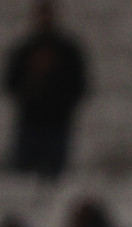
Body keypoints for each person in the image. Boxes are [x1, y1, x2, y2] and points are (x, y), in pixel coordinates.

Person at [4, 0, 88, 178]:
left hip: (57, 123)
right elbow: (11, 83)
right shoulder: (25, 49)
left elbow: (78, 84)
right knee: (24, 174)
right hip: (31, 122)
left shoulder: (67, 50)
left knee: (55, 174)